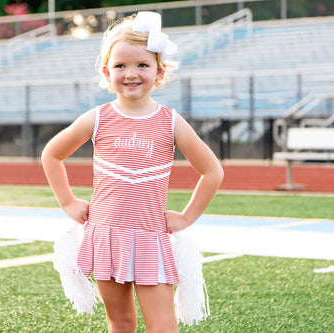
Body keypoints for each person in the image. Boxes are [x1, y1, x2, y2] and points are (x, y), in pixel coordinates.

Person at [42, 11, 224, 333]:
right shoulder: (97, 118)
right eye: (120, 65)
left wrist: (185, 218)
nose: (131, 73)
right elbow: (52, 154)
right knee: (121, 322)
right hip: (105, 236)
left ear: (159, 71)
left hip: (151, 237)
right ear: (106, 71)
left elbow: (212, 171)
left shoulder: (170, 121)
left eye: (142, 65)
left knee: (163, 326)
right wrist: (68, 202)